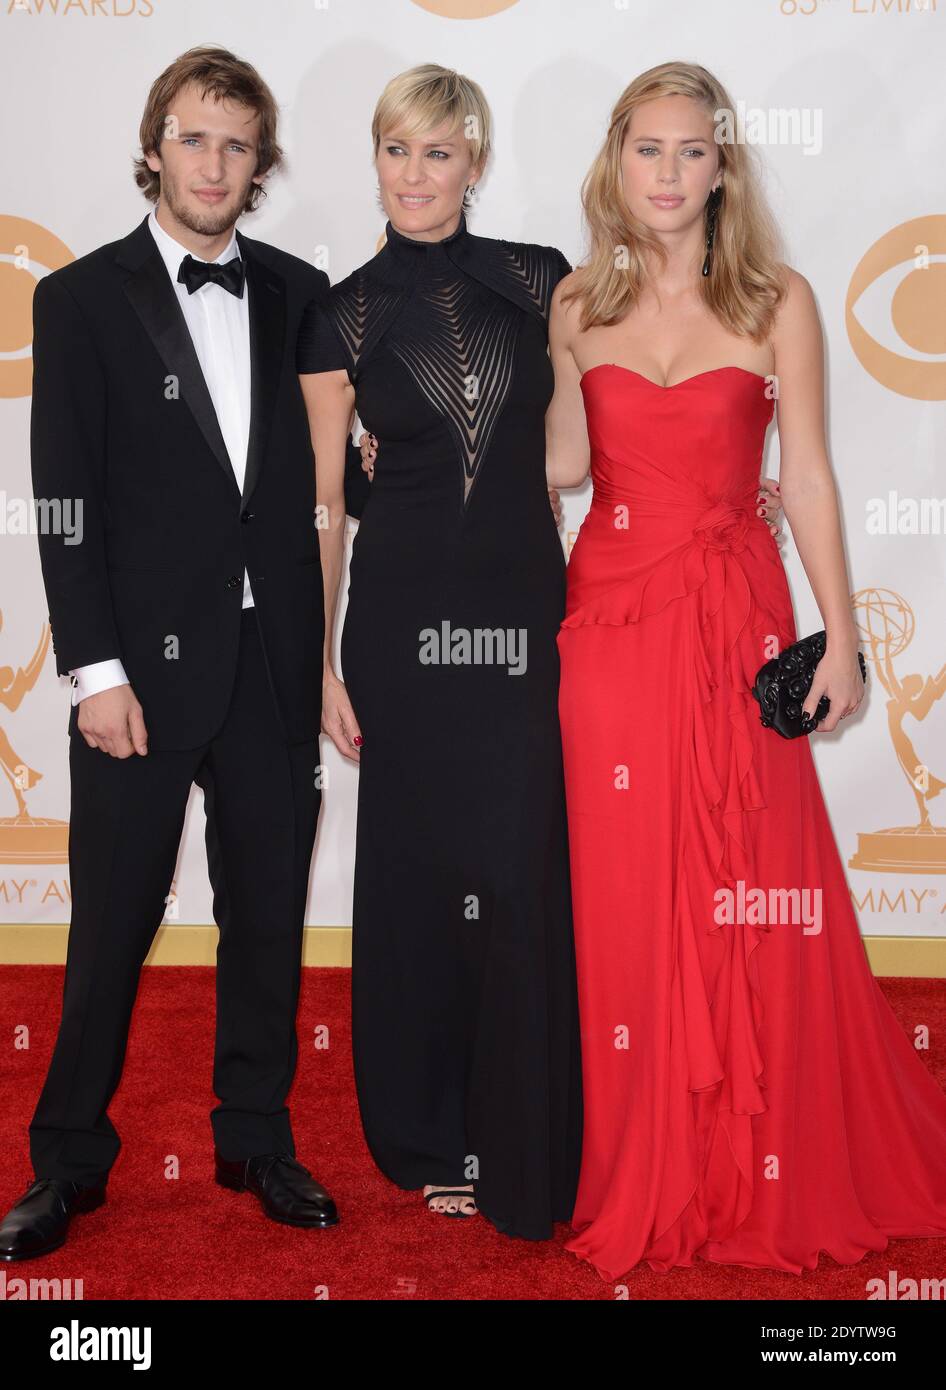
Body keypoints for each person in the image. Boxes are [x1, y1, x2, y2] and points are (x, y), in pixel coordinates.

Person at [546, 61, 946, 1278]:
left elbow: (809, 474)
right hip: (609, 632)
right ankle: (646, 1163)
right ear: (615, 162)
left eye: (691, 151)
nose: (667, 174)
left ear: (725, 165)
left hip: (734, 628)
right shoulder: (570, 305)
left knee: (751, 884)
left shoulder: (779, 299)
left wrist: (841, 635)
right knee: (625, 902)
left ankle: (754, 1156)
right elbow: (560, 466)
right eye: (646, 150)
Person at [0, 46, 347, 1264]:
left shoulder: (303, 290)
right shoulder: (81, 298)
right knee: (109, 929)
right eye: (192, 139)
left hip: (269, 666)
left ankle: (254, 1136)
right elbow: (63, 501)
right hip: (136, 679)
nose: (212, 163)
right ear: (154, 147)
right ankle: (67, 1162)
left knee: (265, 919)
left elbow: (342, 463)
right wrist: (93, 675)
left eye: (236, 144)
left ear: (261, 164)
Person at [296, 64, 586, 1236]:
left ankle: (524, 1129)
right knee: (417, 873)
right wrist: (320, 662)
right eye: (395, 152)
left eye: (438, 153)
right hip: (404, 626)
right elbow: (324, 504)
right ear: (375, 161)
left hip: (521, 618)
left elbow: (570, 456)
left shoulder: (543, 282)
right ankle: (426, 1129)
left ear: (474, 160)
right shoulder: (339, 312)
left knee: (519, 870)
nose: (414, 176)